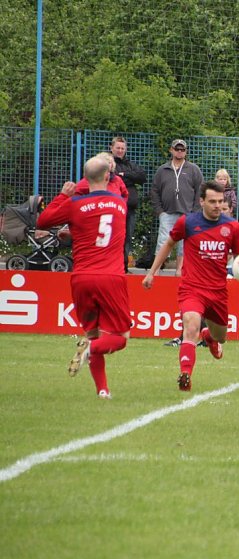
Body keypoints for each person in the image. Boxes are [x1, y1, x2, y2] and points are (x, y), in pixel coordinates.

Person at [36, 157, 130, 399]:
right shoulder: (120, 203)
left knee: (93, 333)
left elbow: (43, 222)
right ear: (109, 177)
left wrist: (63, 196)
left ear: (84, 180)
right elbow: (114, 198)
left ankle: (102, 390)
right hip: (110, 277)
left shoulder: (75, 204)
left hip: (81, 278)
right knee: (119, 338)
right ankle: (92, 349)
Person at [142, 181, 239, 392]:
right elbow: (169, 244)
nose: (217, 205)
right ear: (201, 202)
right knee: (190, 327)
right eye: (212, 201)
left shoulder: (232, 227)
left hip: (218, 292)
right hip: (192, 288)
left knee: (221, 336)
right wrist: (151, 272)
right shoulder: (188, 222)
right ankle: (186, 374)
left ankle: (209, 337)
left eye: (220, 202)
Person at [150, 139, 204, 278]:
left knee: (184, 243)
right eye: (177, 149)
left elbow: (200, 190)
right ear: (171, 150)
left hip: (188, 213)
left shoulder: (193, 169)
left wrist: (196, 212)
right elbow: (155, 190)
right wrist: (159, 211)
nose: (179, 152)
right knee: (163, 240)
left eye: (182, 150)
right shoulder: (163, 169)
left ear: (186, 152)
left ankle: (179, 270)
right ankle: (156, 270)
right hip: (167, 212)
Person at [110, 137, 147, 273]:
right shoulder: (107, 163)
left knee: (127, 238)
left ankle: (124, 267)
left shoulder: (130, 164)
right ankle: (114, 267)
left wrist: (125, 174)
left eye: (122, 148)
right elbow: (112, 177)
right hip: (114, 209)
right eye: (118, 148)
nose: (120, 151)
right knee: (114, 238)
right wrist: (129, 178)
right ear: (111, 148)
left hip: (130, 209)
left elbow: (142, 176)